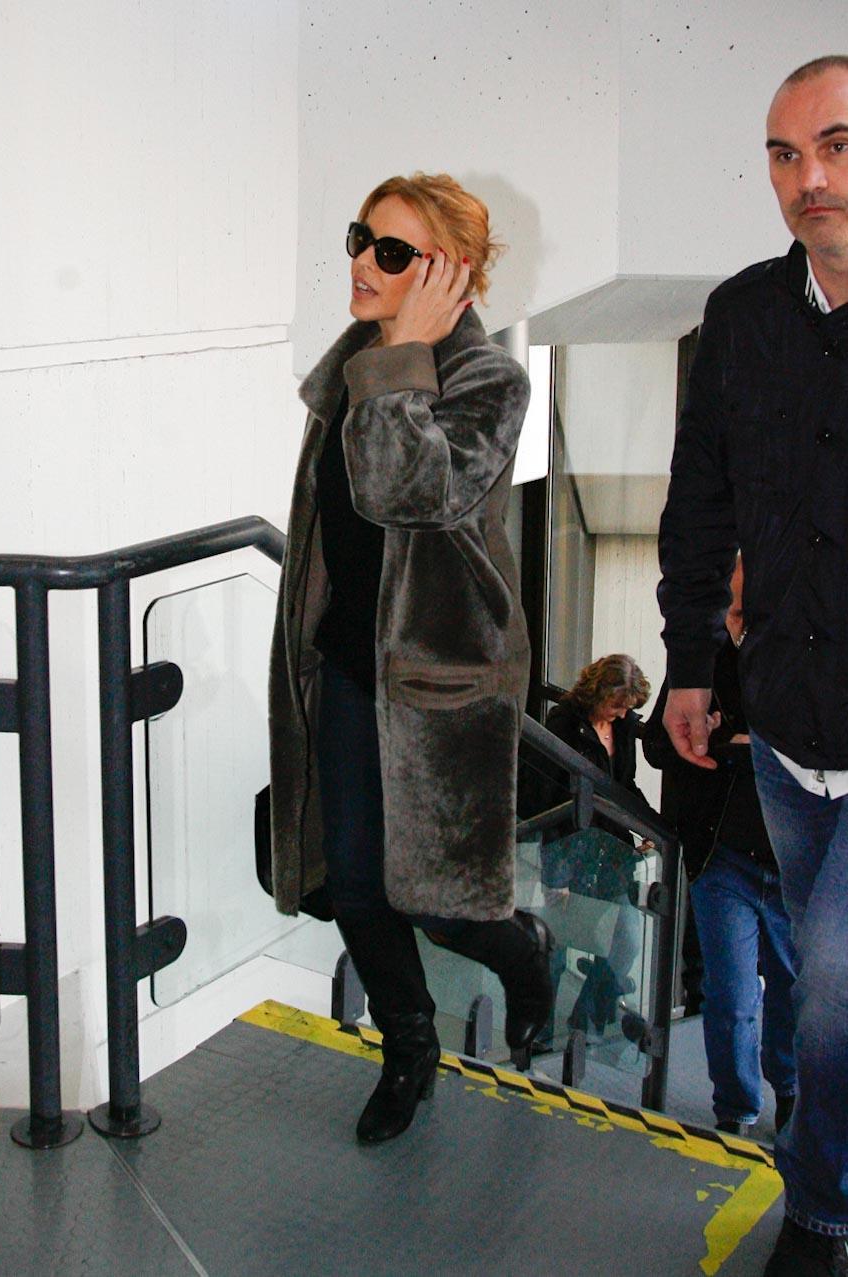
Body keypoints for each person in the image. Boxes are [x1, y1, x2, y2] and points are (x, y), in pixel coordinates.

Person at [267, 173, 554, 1145]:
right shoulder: (358, 363)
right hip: (350, 669)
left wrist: (399, 357)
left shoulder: (488, 381)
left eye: (391, 252)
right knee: (354, 886)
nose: (361, 262)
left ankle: (522, 953)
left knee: (441, 903)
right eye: (361, 238)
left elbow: (407, 492)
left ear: (451, 273)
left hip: (442, 682)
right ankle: (408, 1045)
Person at [657, 55, 848, 1275]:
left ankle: (819, 1215)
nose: (807, 177)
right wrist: (689, 664)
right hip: (781, 736)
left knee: (828, 990)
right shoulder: (739, 317)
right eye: (784, 154)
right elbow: (699, 505)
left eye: (835, 145)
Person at [644, 557, 796, 1138]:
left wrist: (733, 741)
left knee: (792, 992)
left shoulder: (797, 655)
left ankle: (790, 1090)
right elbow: (658, 743)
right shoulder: (700, 656)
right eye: (731, 610)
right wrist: (710, 736)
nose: (738, 622)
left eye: (747, 612)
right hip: (721, 856)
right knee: (730, 995)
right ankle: (735, 1110)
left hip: (791, 861)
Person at [540, 654, 654, 1039]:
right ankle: (538, 1037)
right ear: (598, 693)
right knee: (553, 947)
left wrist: (645, 824)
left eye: (627, 708)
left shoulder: (623, 727)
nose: (622, 714)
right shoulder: (564, 724)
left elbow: (624, 784)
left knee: (627, 938)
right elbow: (546, 799)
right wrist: (556, 876)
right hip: (568, 851)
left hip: (609, 853)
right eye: (617, 705)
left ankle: (584, 1020)